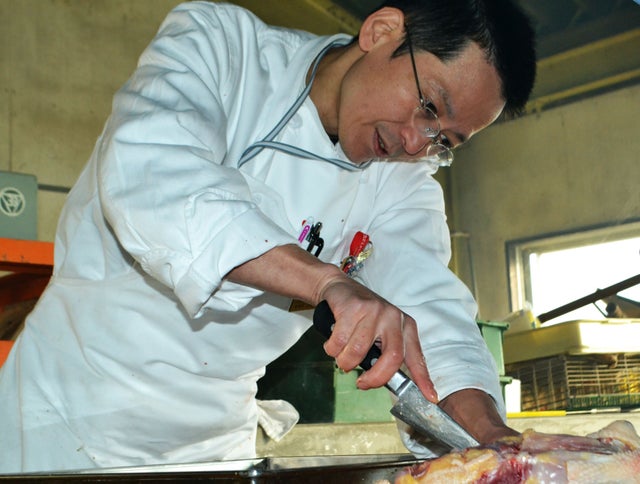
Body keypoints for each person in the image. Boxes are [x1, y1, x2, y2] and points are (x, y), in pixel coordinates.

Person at [0, 0, 535, 473]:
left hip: (214, 440)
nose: (417, 144)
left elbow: (429, 311)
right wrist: (325, 281)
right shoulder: (223, 48)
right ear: (381, 32)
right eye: (428, 106)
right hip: (67, 414)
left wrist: (492, 440)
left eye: (444, 140)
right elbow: (153, 177)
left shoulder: (403, 178)